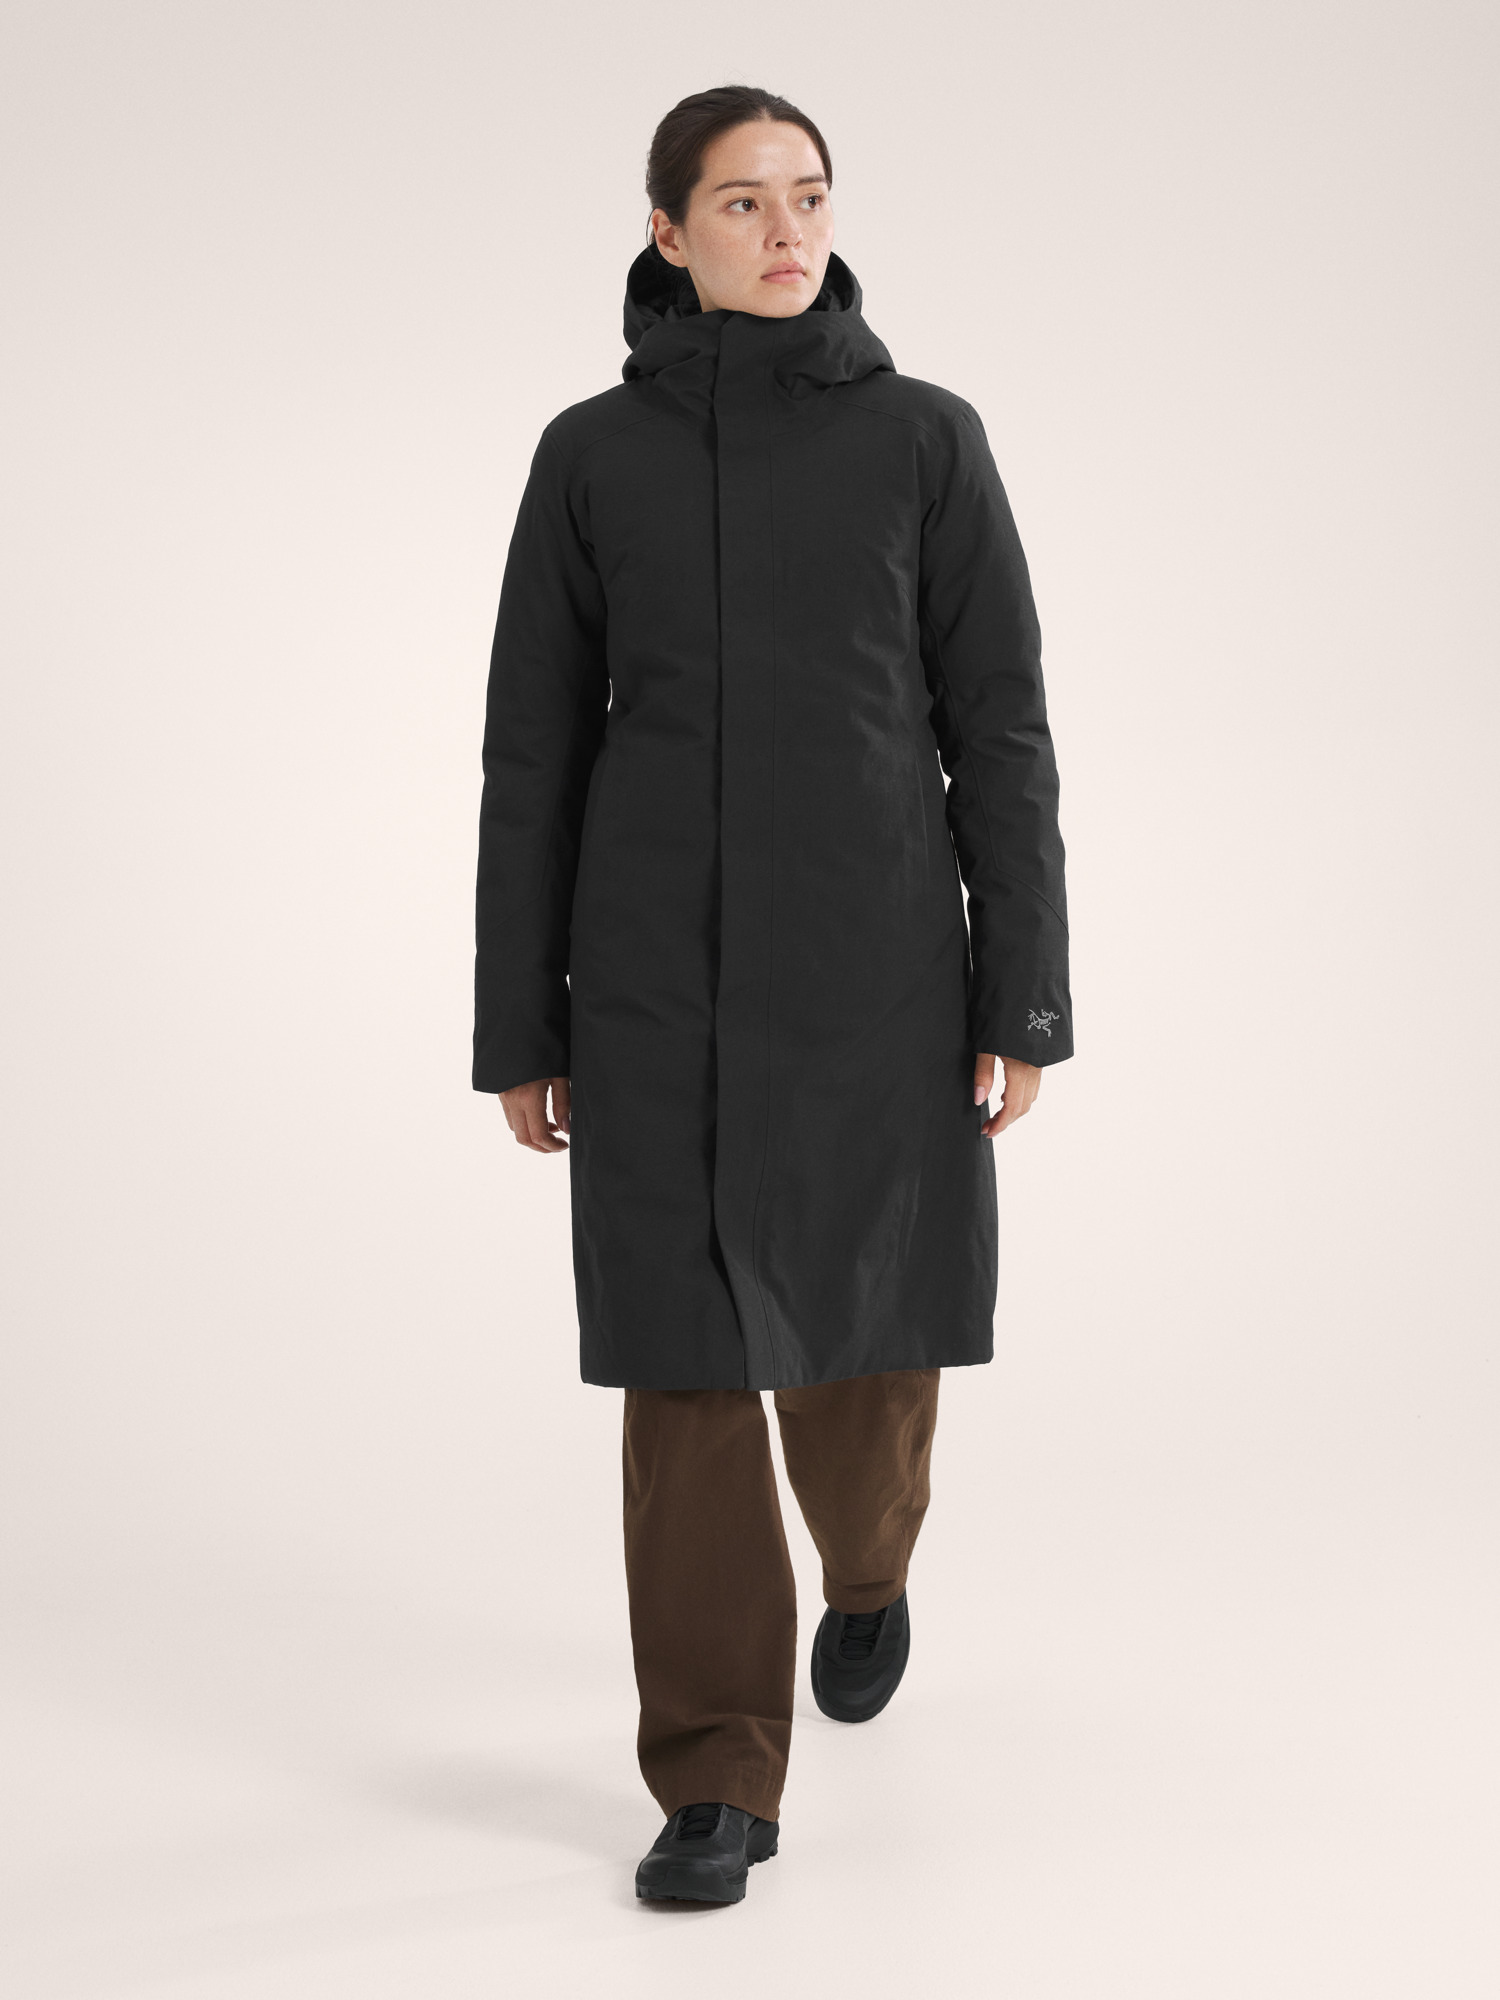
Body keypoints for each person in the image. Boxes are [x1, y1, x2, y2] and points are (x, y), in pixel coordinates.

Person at [472, 84, 1072, 1905]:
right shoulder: (591, 457)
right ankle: (718, 1773)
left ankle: (869, 1570)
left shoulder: (925, 441)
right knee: (684, 1372)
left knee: (867, 1353)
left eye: (807, 195)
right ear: (667, 232)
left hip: (876, 972)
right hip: (651, 984)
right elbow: (532, 757)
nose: (786, 229)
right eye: (741, 203)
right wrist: (521, 1020)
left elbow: (1001, 732)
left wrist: (1024, 989)